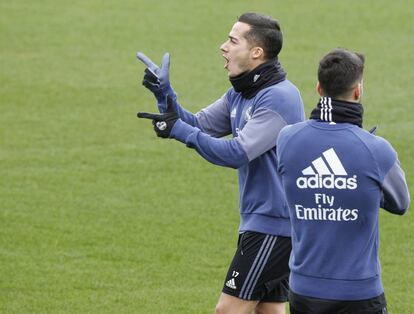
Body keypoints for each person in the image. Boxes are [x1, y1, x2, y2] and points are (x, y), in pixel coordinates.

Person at [136, 13, 304, 314]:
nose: (222, 47)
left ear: (256, 52)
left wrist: (178, 129)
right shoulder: (241, 93)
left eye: (232, 40)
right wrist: (165, 95)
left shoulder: (279, 98)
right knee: (268, 311)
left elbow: (235, 153)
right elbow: (199, 125)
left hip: (274, 227)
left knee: (227, 310)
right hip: (264, 223)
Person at [276, 48, 410, 314]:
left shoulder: (287, 139)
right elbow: (400, 203)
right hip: (359, 293)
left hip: (303, 290)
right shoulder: (375, 150)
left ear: (318, 88)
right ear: (358, 91)